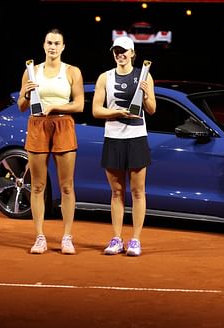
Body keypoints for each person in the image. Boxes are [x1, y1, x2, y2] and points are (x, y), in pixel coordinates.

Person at [17, 28, 84, 254]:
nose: (53, 47)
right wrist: (26, 93)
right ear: (44, 45)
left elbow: (79, 105)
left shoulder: (72, 71)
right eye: (49, 43)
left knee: (66, 186)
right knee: (37, 186)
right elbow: (21, 106)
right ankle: (40, 237)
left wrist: (56, 107)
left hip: (63, 124)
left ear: (63, 47)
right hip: (37, 125)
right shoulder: (31, 71)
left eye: (57, 43)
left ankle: (67, 237)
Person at [92, 36, 156, 256]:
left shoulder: (144, 76)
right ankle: (117, 239)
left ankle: (135, 240)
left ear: (132, 53)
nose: (120, 54)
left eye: (124, 51)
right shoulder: (105, 78)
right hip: (113, 138)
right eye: (116, 51)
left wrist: (146, 93)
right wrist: (116, 113)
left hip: (137, 138)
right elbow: (96, 110)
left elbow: (152, 109)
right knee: (117, 192)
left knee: (138, 192)